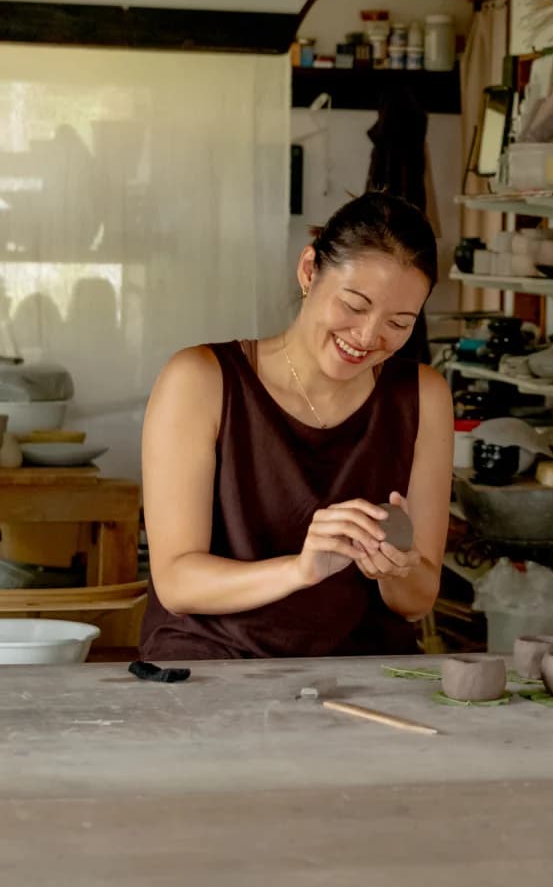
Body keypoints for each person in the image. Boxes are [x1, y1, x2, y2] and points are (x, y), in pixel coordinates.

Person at [139, 192, 454, 661]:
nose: (368, 337)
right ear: (309, 270)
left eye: (399, 322)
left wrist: (395, 570)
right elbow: (177, 583)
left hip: (360, 676)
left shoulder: (423, 396)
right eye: (354, 305)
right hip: (211, 666)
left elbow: (417, 602)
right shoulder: (200, 380)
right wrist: (301, 570)